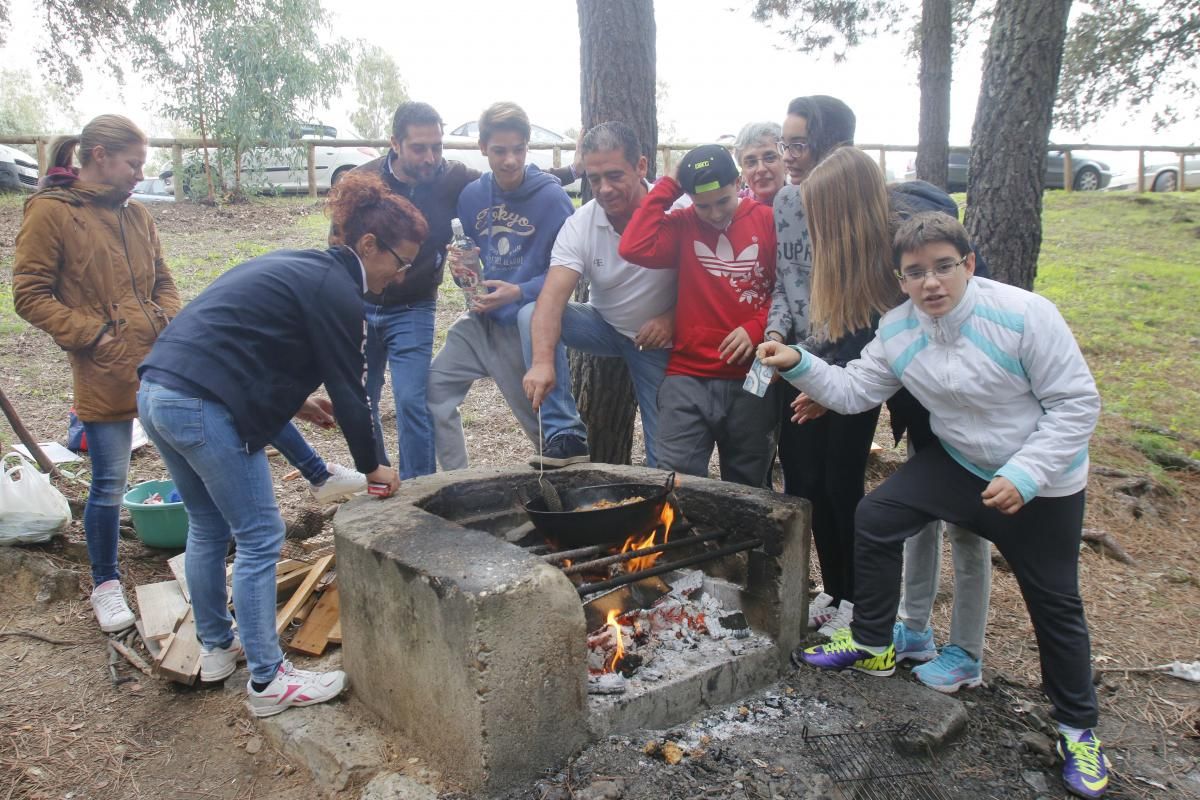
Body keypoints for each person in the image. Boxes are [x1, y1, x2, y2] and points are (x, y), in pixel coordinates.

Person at [762, 211, 1107, 799]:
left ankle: (1078, 731)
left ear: (968, 265)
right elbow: (853, 390)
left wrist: (1025, 474)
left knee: (1054, 601)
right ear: (900, 280)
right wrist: (798, 363)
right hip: (960, 462)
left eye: (944, 267)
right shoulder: (898, 328)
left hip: (1041, 481)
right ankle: (873, 643)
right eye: (915, 272)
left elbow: (1077, 404)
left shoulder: (1025, 315)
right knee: (877, 515)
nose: (931, 284)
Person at [136, 172, 418, 717]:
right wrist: (375, 466)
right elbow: (351, 390)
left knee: (208, 525)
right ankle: (269, 681)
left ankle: (218, 649)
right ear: (367, 245)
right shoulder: (340, 291)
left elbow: (241, 344)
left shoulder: (300, 265)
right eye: (399, 262)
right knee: (261, 534)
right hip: (199, 403)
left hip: (158, 392)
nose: (401, 275)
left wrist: (295, 404)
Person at [13, 115, 180, 634]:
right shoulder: (51, 212)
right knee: (109, 482)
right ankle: (105, 583)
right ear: (100, 155)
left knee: (189, 461)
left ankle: (199, 553)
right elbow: (29, 294)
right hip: (103, 365)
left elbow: (165, 280)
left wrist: (166, 320)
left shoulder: (137, 217)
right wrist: (93, 334)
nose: (139, 175)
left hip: (161, 359)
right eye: (133, 164)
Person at [766, 98, 887, 634]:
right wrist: (776, 333)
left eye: (798, 144)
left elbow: (870, 312)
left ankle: (858, 601)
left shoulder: (864, 209)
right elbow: (785, 282)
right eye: (783, 144)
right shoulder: (787, 202)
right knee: (805, 483)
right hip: (794, 363)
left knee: (842, 485)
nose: (787, 156)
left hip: (852, 371)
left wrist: (829, 384)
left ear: (831, 144)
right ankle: (834, 591)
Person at [426, 102, 578, 470]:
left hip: (524, 328)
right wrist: (464, 268)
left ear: (527, 148)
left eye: (517, 150)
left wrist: (520, 292)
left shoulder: (552, 199)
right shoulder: (472, 197)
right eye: (499, 151)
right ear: (482, 148)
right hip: (479, 322)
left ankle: (570, 502)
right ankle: (457, 486)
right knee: (433, 392)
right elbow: (474, 265)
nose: (509, 160)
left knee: (544, 434)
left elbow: (570, 271)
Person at [520, 122, 678, 468]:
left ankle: (664, 516)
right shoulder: (581, 224)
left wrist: (672, 318)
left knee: (666, 457)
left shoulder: (675, 211)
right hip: (603, 326)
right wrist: (543, 362)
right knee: (529, 311)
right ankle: (566, 436)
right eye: (594, 179)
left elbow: (711, 281)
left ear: (641, 166)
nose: (604, 189)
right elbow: (552, 298)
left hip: (657, 342)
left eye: (614, 175)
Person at [619, 145, 777, 486]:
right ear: (688, 198)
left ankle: (746, 541)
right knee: (675, 480)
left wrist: (755, 327)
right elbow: (633, 246)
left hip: (755, 370)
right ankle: (685, 539)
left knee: (750, 480)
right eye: (703, 205)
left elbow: (785, 292)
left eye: (723, 201)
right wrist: (670, 184)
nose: (715, 213)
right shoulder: (683, 224)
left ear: (738, 183)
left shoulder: (766, 219)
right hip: (688, 372)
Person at [344, 102, 479, 480]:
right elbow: (338, 248)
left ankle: (419, 488)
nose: (431, 157)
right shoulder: (363, 182)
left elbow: (505, 176)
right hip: (361, 305)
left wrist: (574, 169)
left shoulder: (452, 177)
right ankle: (380, 477)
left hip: (414, 306)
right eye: (420, 147)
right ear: (395, 143)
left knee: (411, 400)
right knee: (361, 398)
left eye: (437, 146)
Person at [732, 121, 786, 205]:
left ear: (785, 162)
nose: (761, 169)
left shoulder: (807, 201)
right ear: (743, 173)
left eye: (769, 158)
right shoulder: (732, 208)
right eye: (751, 162)